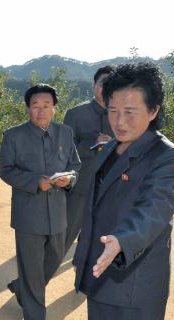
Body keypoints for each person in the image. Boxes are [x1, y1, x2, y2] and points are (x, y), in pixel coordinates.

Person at [72, 62, 174, 320]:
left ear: (153, 111)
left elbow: (155, 209)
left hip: (135, 277)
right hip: (100, 269)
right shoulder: (108, 149)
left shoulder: (167, 157)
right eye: (113, 111)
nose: (120, 121)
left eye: (130, 112)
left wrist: (123, 240)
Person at [0, 84, 81, 320]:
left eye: (46, 105)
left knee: (55, 257)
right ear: (28, 108)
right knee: (32, 263)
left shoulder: (65, 133)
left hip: (58, 210)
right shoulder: (13, 135)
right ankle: (35, 312)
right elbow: (6, 170)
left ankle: (23, 288)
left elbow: (75, 165)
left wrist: (70, 179)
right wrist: (35, 181)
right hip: (28, 211)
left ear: (54, 108)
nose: (41, 110)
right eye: (35, 106)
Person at [63, 65, 115, 253]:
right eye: (103, 83)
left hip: (110, 190)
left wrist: (114, 146)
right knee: (63, 240)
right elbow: (63, 151)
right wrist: (93, 145)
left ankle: (84, 282)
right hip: (80, 189)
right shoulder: (75, 114)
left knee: (98, 245)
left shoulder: (121, 116)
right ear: (94, 84)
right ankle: (36, 280)